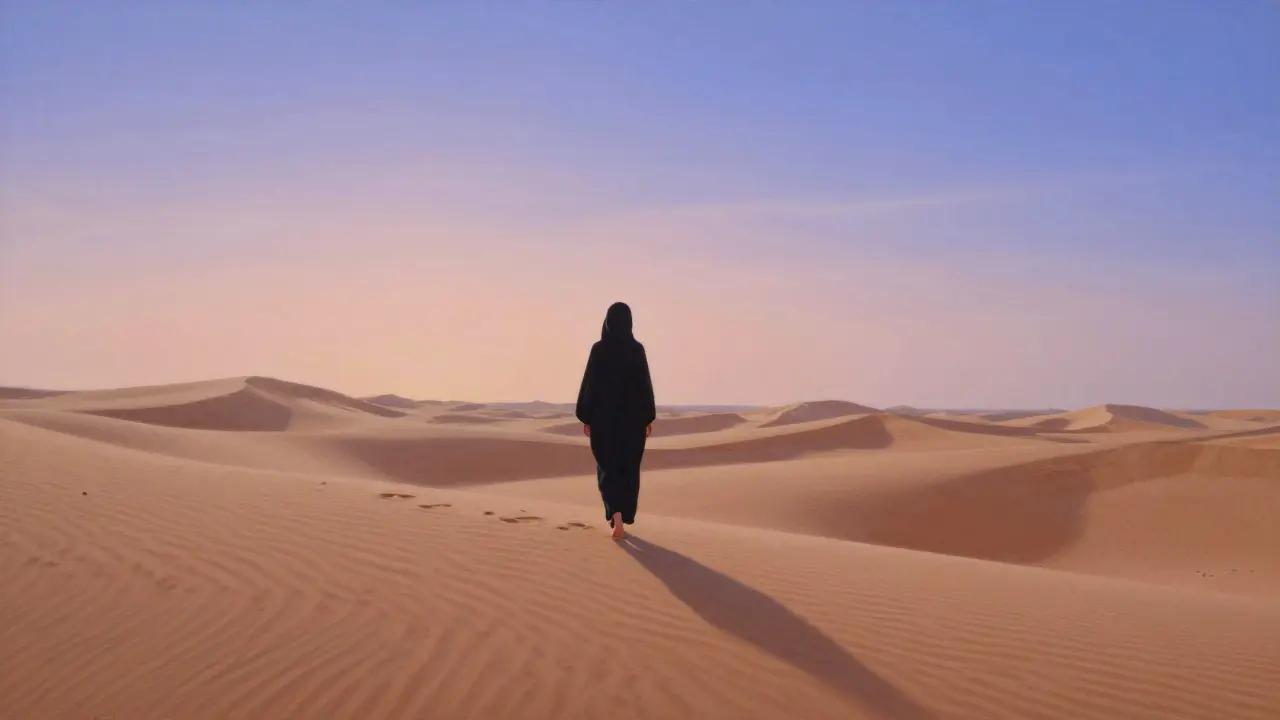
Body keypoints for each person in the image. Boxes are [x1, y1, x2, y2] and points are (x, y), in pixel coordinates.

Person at [575, 302, 656, 539]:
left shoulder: (599, 350)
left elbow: (589, 385)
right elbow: (645, 387)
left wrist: (587, 417)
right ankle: (624, 516)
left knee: (608, 468)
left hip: (604, 422)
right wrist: (647, 418)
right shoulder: (636, 350)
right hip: (632, 424)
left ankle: (616, 515)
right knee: (628, 469)